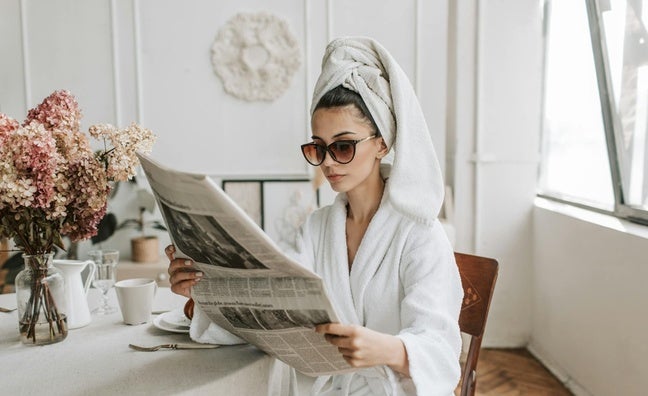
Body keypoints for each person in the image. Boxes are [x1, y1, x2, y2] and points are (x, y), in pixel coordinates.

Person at [166, 37, 463, 395]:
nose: (326, 163)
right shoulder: (317, 228)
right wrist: (201, 295)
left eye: (342, 146)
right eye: (318, 148)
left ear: (382, 143)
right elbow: (272, 313)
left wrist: (383, 348)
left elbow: (441, 350)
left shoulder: (420, 234)